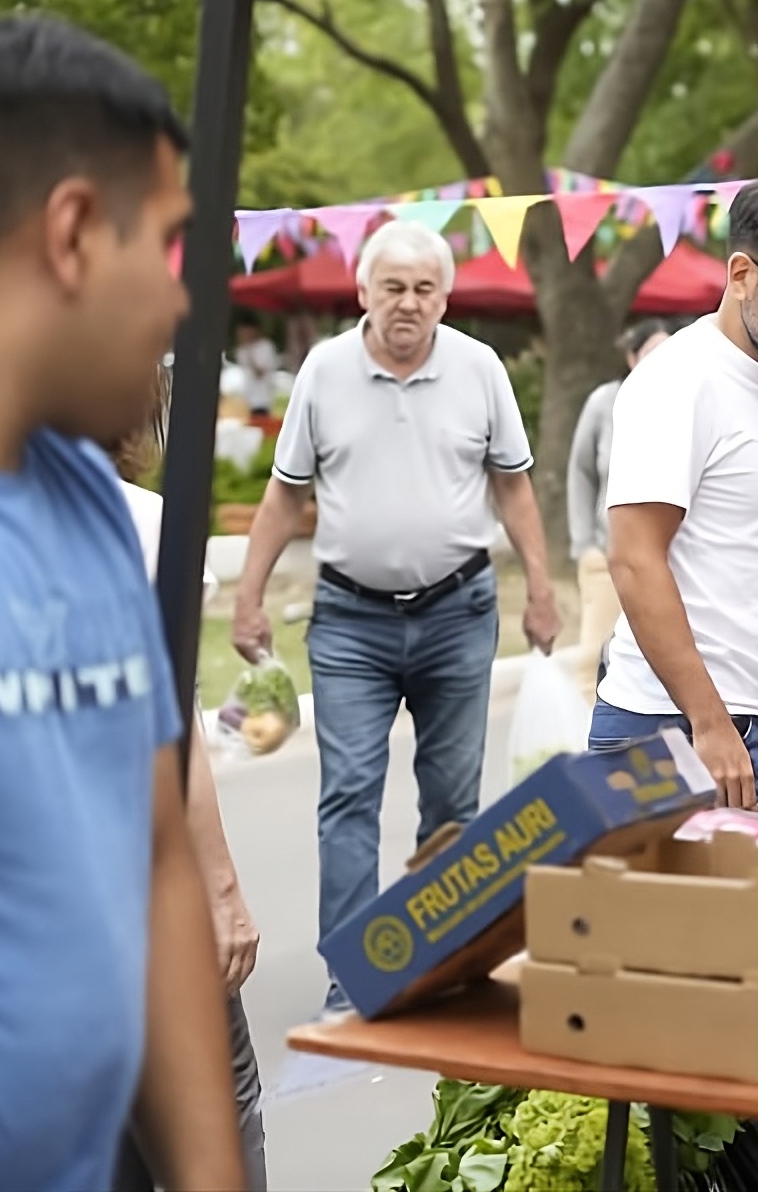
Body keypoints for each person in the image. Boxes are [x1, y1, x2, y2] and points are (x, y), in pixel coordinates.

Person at [0, 14, 242, 1189]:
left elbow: (156, 848)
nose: (181, 309)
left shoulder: (92, 499)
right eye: (168, 250)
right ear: (73, 233)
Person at [232, 218, 562, 1009]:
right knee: (348, 793)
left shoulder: (480, 369)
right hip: (350, 621)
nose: (408, 303)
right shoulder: (324, 371)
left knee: (452, 800)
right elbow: (286, 496)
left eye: (423, 289)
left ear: (444, 299)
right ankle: (356, 974)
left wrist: (543, 591)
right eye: (393, 288)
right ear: (363, 293)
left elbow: (514, 486)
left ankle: (440, 960)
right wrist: (246, 598)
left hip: (459, 610)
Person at [594, 177, 758, 804]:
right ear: (742, 273)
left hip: (749, 718)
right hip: (676, 727)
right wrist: (709, 724)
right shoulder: (680, 381)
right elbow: (634, 559)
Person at [108, 368, 268, 1191]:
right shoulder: (137, 525)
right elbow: (169, 729)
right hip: (136, 874)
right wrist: (221, 892)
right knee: (213, 1099)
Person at [567, 320, 668, 700]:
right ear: (631, 357)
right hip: (607, 554)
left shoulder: (684, 401)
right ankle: (594, 749)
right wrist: (584, 545)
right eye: (651, 352)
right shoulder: (604, 403)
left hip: (664, 559)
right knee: (594, 658)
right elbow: (580, 472)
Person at [234, 316, 280, 418]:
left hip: (261, 400)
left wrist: (249, 354)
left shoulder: (266, 347)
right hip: (246, 400)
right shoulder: (241, 350)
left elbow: (260, 372)